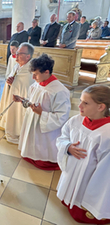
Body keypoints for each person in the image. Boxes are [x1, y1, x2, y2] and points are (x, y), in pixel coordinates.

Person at [56, 84, 110, 224]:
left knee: (84, 198)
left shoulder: (107, 134)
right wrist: (67, 147)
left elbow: (105, 174)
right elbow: (63, 137)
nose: (79, 106)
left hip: (90, 178)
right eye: (80, 100)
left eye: (85, 103)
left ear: (101, 107)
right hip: (72, 170)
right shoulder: (76, 120)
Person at [15, 54, 71, 170]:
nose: (33, 78)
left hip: (46, 127)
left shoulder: (59, 91)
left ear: (46, 72)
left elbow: (62, 116)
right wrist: (22, 100)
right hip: (33, 121)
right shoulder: (37, 84)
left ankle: (46, 160)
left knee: (43, 149)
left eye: (35, 74)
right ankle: (31, 155)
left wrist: (41, 113)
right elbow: (31, 102)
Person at [0, 42, 35, 143]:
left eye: (19, 53)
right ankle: (10, 128)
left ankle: (18, 133)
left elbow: (26, 88)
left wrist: (13, 84)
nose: (16, 54)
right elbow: (13, 81)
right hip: (12, 96)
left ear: (28, 56)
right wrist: (9, 83)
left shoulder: (30, 71)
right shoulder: (17, 66)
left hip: (21, 102)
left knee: (18, 116)